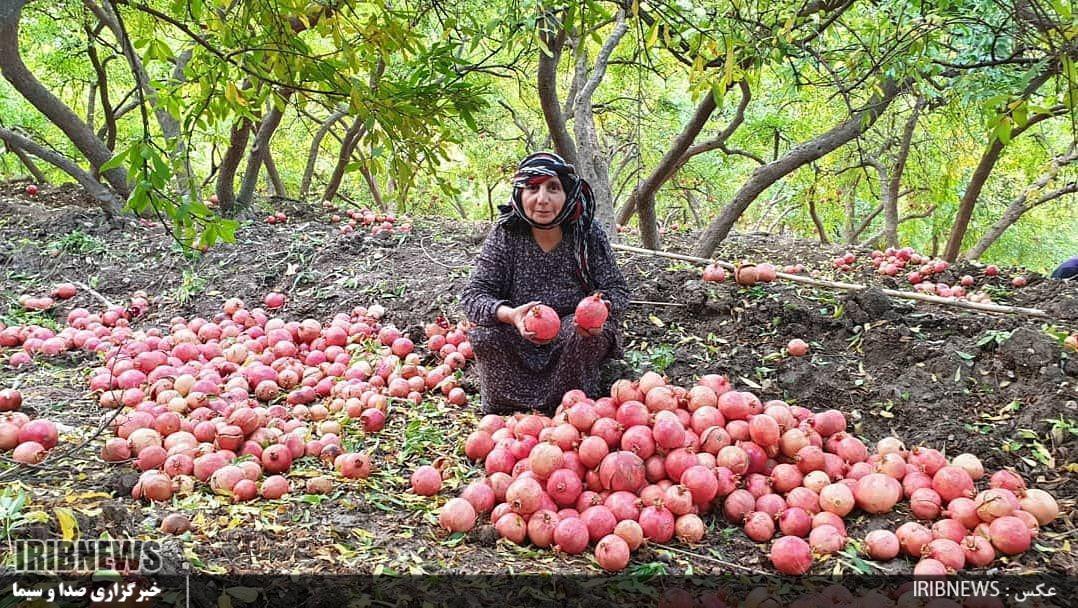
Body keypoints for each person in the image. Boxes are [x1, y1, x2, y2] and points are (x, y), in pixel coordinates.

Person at [460, 152, 629, 416]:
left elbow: (617, 290)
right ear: (520, 193)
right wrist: (511, 315)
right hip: (520, 333)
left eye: (553, 188)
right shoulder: (507, 234)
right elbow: (474, 295)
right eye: (532, 188)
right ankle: (508, 407)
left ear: (568, 194)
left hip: (573, 334)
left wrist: (598, 311)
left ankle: (571, 407)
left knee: (584, 337)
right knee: (484, 335)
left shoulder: (587, 233)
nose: (542, 199)